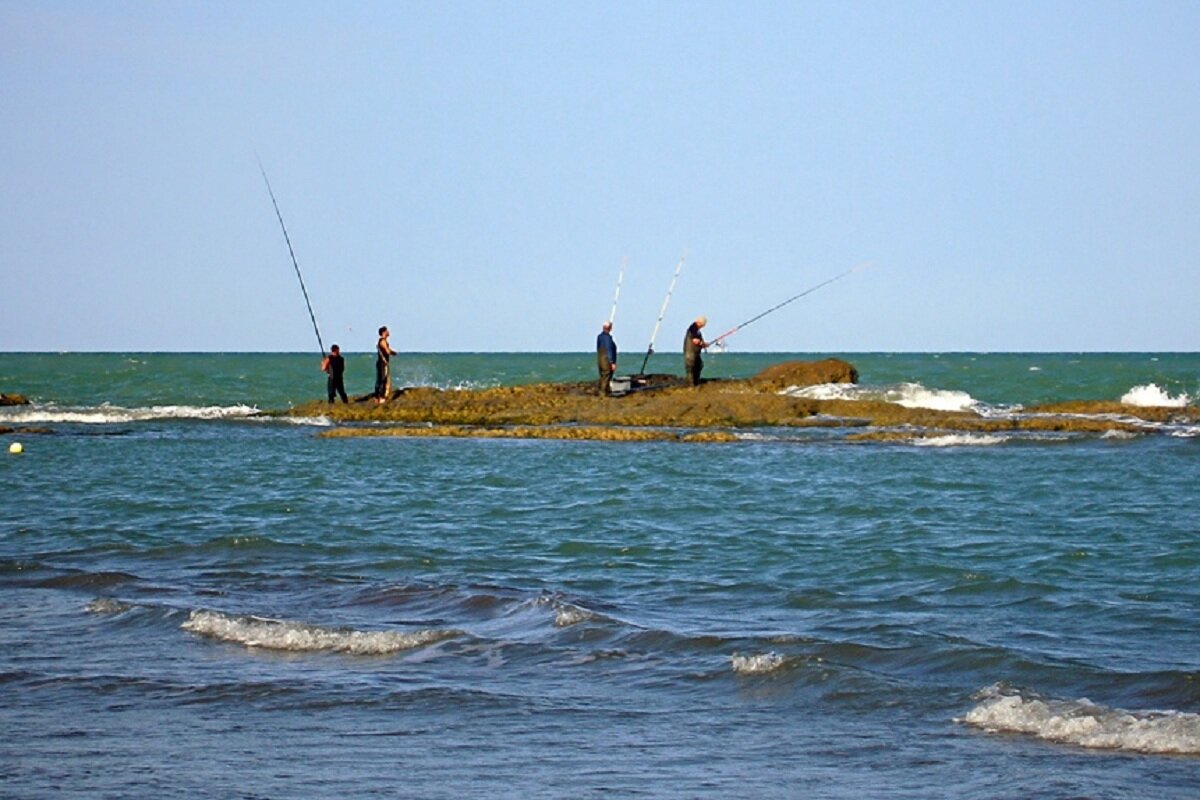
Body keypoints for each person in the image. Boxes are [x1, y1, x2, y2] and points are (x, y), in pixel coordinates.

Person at [683, 316, 709, 386]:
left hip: (696, 353)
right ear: (699, 323)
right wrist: (702, 344)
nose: (703, 326)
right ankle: (691, 385)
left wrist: (704, 344)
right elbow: (695, 341)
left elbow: (699, 341)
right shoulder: (693, 328)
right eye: (703, 325)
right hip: (690, 353)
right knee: (691, 369)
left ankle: (696, 382)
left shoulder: (697, 331)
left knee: (699, 365)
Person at [374, 326, 397, 403]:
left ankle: (380, 396)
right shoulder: (382, 341)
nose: (388, 332)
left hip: (383, 363)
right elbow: (387, 351)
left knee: (383, 379)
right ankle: (380, 397)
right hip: (382, 363)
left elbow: (388, 349)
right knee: (382, 379)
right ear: (384, 332)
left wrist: (393, 352)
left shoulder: (384, 341)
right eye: (387, 331)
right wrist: (391, 352)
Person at [596, 321, 618, 396]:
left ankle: (604, 391)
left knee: (603, 375)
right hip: (606, 360)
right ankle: (603, 393)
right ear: (610, 328)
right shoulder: (608, 338)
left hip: (600, 360)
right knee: (606, 375)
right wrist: (612, 362)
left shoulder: (599, 337)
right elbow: (609, 350)